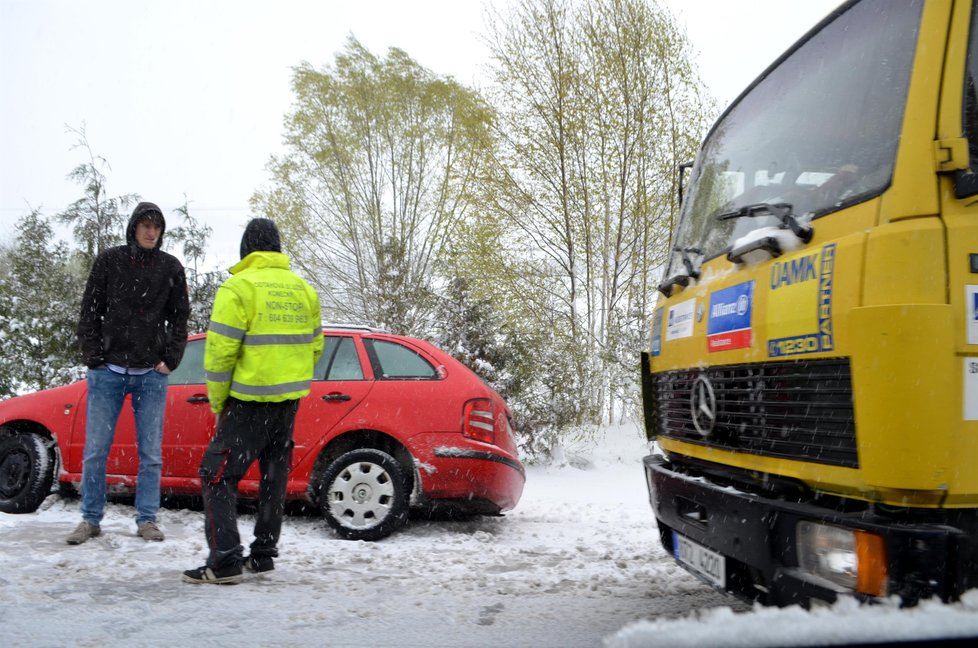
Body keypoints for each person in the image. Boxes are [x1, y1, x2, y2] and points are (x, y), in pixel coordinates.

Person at [183, 218, 322, 584]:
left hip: (247, 402)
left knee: (215, 476)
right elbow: (316, 346)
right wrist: (287, 377)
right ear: (277, 247)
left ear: (246, 249)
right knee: (273, 477)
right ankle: (262, 555)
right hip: (287, 402)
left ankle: (225, 559)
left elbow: (219, 354)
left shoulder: (239, 288)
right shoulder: (304, 290)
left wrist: (218, 403)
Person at [67, 201, 190, 545]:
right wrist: (94, 357)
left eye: (157, 226)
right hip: (108, 372)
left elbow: (180, 317)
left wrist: (171, 359)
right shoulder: (110, 261)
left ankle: (147, 519)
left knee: (150, 453)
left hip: (151, 375)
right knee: (96, 450)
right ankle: (90, 519)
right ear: (134, 227)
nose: (152, 231)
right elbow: (90, 310)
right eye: (146, 225)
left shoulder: (171, 267)